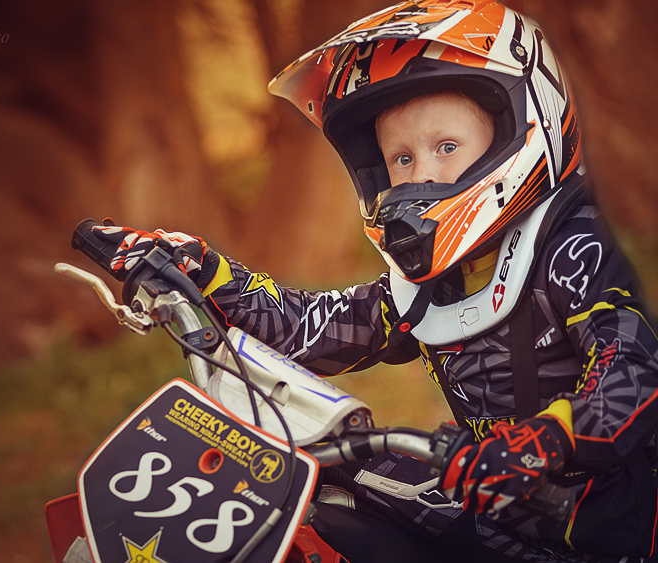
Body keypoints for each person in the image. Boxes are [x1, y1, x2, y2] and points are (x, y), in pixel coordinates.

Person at [89, 1, 658, 561]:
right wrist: (203, 270)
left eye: (446, 147)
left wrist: (547, 439)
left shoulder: (575, 246)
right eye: (400, 159)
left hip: (602, 533)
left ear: (521, 126)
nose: (422, 174)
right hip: (493, 504)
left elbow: (635, 372)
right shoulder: (429, 280)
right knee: (317, 479)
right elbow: (312, 330)